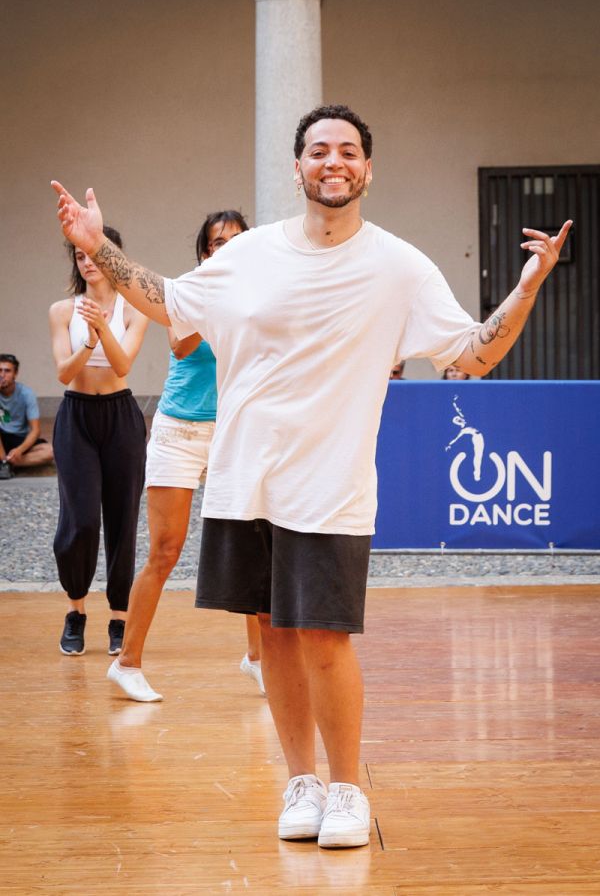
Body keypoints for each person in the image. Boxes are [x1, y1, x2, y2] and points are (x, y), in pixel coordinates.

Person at [51, 103, 571, 849]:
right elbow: (167, 300)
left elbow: (474, 354)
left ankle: (348, 787)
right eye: (320, 150)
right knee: (274, 635)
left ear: (368, 169)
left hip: (332, 488)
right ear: (297, 168)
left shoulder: (400, 267)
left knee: (325, 637)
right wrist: (97, 246)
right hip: (245, 480)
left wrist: (527, 287)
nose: (334, 161)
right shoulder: (248, 254)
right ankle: (302, 781)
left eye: (348, 151)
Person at [107, 210, 266, 702]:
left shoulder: (260, 293)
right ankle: (126, 663)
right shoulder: (189, 290)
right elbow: (180, 344)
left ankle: (258, 659)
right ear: (204, 252)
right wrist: (218, 301)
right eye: (218, 242)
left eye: (237, 240)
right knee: (165, 550)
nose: (228, 247)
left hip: (233, 431)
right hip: (180, 429)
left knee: (252, 546)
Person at [49, 225, 148, 657]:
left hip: (120, 416)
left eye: (93, 253)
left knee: (123, 518)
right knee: (82, 520)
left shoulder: (135, 308)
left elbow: (123, 364)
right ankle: (76, 610)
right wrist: (88, 340)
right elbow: (63, 373)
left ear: (112, 256)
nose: (87, 262)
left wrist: (103, 329)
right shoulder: (61, 311)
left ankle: (119, 617)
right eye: (79, 255)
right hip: (76, 417)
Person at [0, 354, 54, 479]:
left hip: (19, 438)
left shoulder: (26, 394)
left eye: (7, 371)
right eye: (0, 370)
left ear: (15, 374)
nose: (2, 375)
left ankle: (7, 464)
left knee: (51, 451)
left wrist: (19, 450)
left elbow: (35, 430)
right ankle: (4, 462)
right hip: (1, 438)